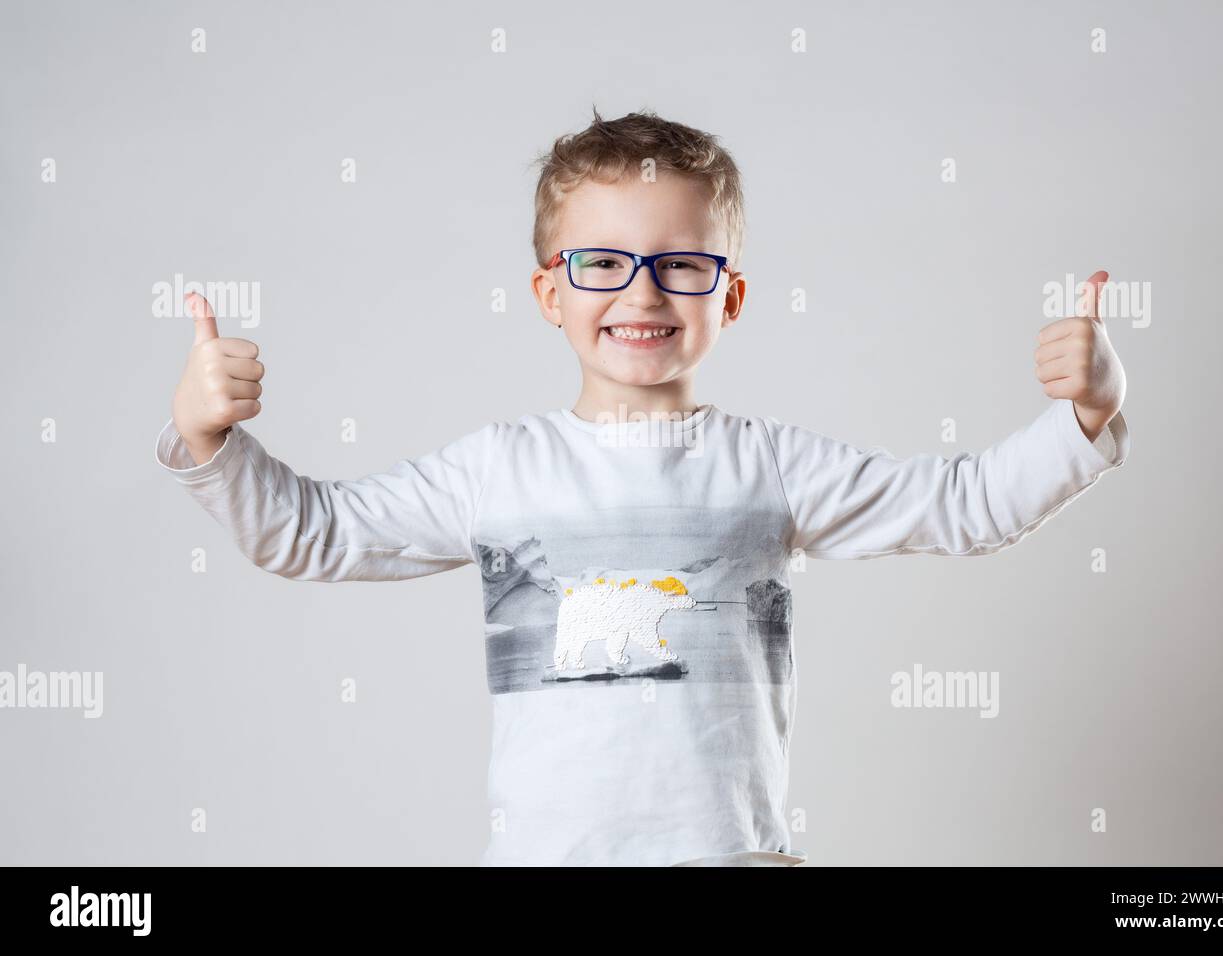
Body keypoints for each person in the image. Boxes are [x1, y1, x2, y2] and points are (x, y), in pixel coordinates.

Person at [154, 108, 1130, 866]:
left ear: (730, 295)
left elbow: (965, 505)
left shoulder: (768, 466)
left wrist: (1083, 411)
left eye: (681, 263)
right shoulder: (499, 468)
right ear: (549, 290)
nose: (643, 291)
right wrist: (211, 436)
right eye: (604, 262)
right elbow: (311, 533)